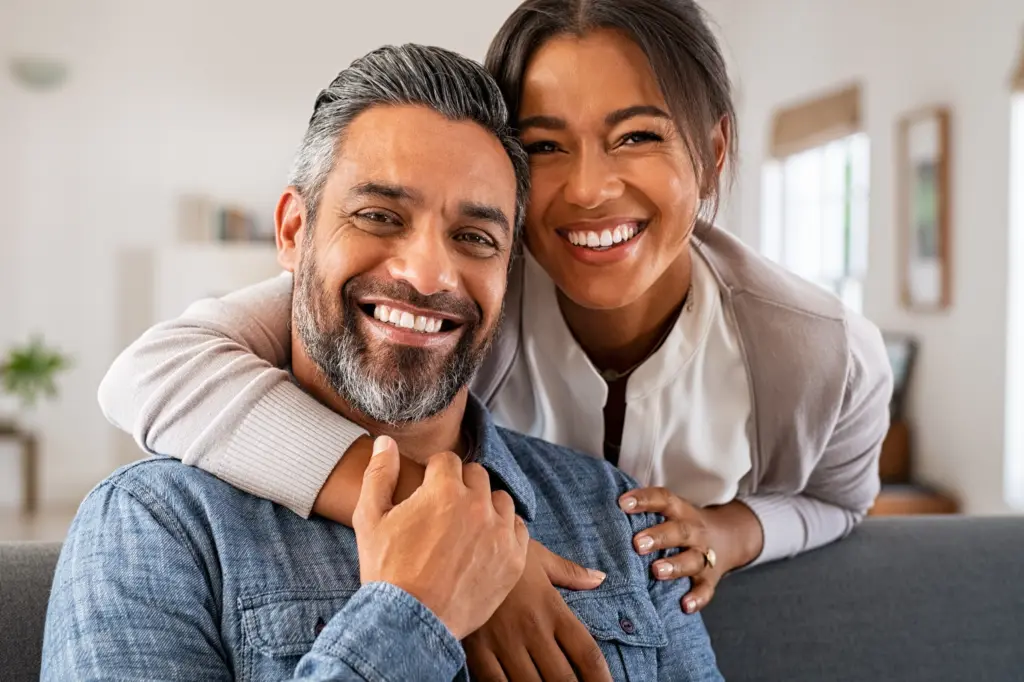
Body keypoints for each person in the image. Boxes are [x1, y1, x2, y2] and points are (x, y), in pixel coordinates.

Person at [98, 0, 892, 678]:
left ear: (712, 153)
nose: (587, 189)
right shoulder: (163, 529)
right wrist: (449, 556)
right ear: (295, 231)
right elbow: (155, 371)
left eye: (638, 136)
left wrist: (728, 531)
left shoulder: (805, 356)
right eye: (546, 146)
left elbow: (838, 500)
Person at [42, 44, 722, 682]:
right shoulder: (157, 526)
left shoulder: (614, 513)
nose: (428, 274)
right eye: (379, 216)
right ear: (293, 231)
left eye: (474, 237)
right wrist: (409, 614)